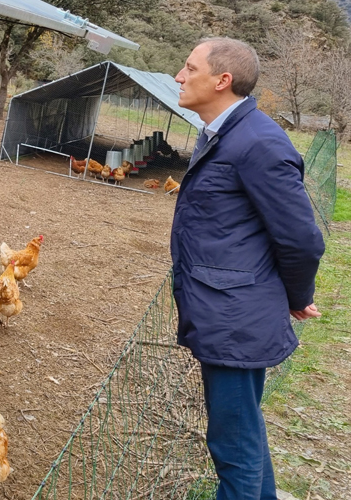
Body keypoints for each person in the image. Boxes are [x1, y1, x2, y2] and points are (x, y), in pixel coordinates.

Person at [170, 37, 324, 499]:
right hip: (227, 308)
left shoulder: (257, 142)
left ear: (222, 80)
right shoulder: (223, 132)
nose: (179, 76)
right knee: (242, 433)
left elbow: (301, 238)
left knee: (233, 445)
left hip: (235, 318)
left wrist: (297, 296)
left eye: (189, 67)